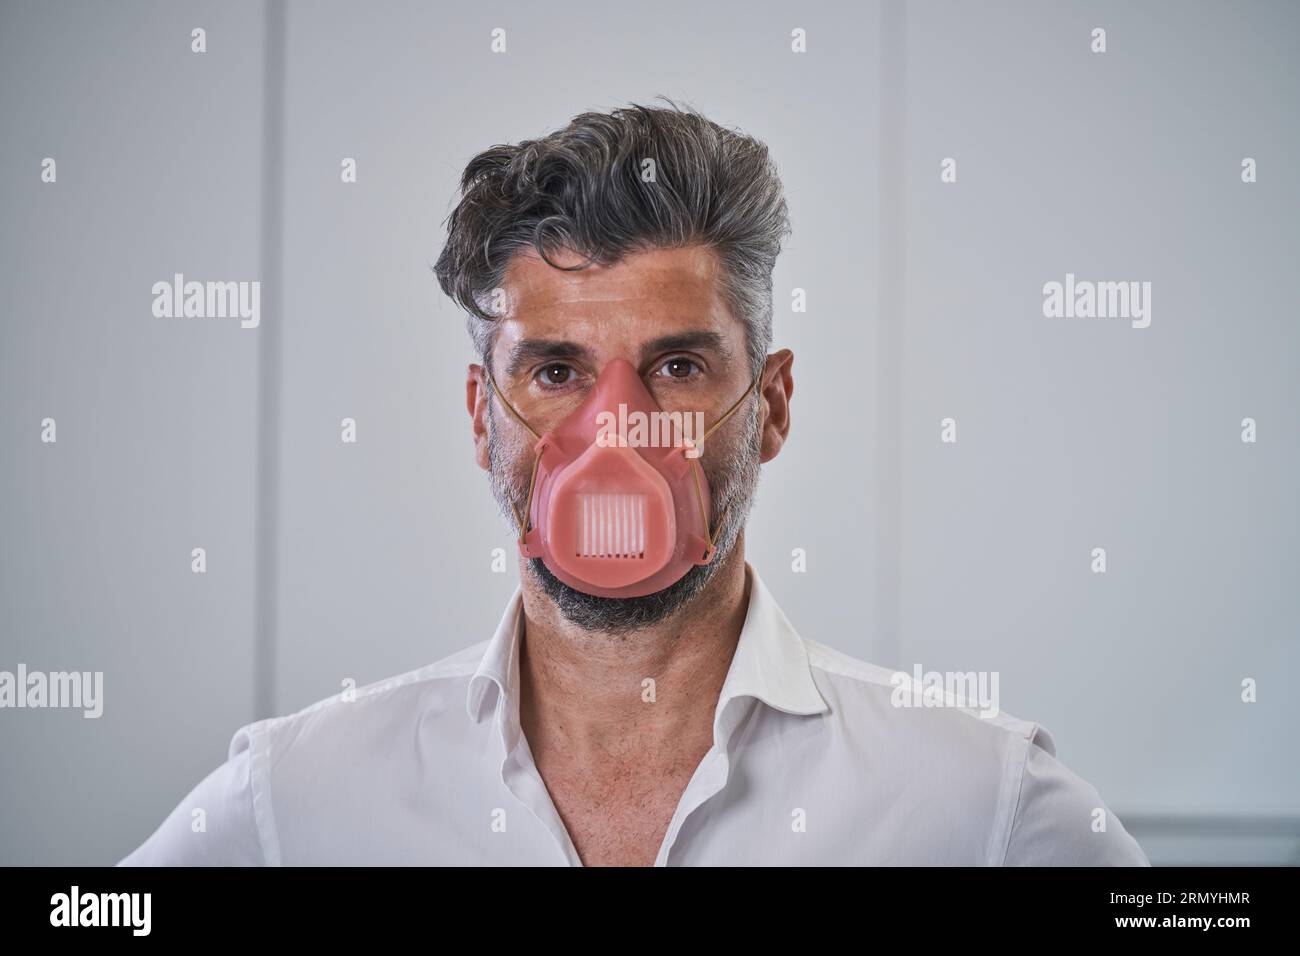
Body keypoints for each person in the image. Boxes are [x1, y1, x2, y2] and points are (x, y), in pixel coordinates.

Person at [119, 101, 1149, 866]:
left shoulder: (980, 805)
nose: (614, 432)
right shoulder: (298, 797)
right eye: (556, 371)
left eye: (677, 365)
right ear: (484, 415)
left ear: (771, 405)